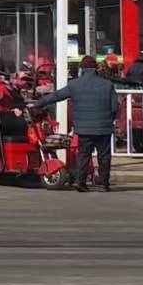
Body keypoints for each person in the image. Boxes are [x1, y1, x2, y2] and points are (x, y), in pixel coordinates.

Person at [26, 56, 122, 191]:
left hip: (83, 129)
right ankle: (102, 184)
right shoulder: (107, 85)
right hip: (103, 128)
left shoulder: (74, 85)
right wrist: (108, 119)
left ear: (82, 68)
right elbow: (114, 108)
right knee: (104, 156)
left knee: (83, 155)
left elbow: (56, 96)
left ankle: (80, 183)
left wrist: (38, 103)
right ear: (95, 68)